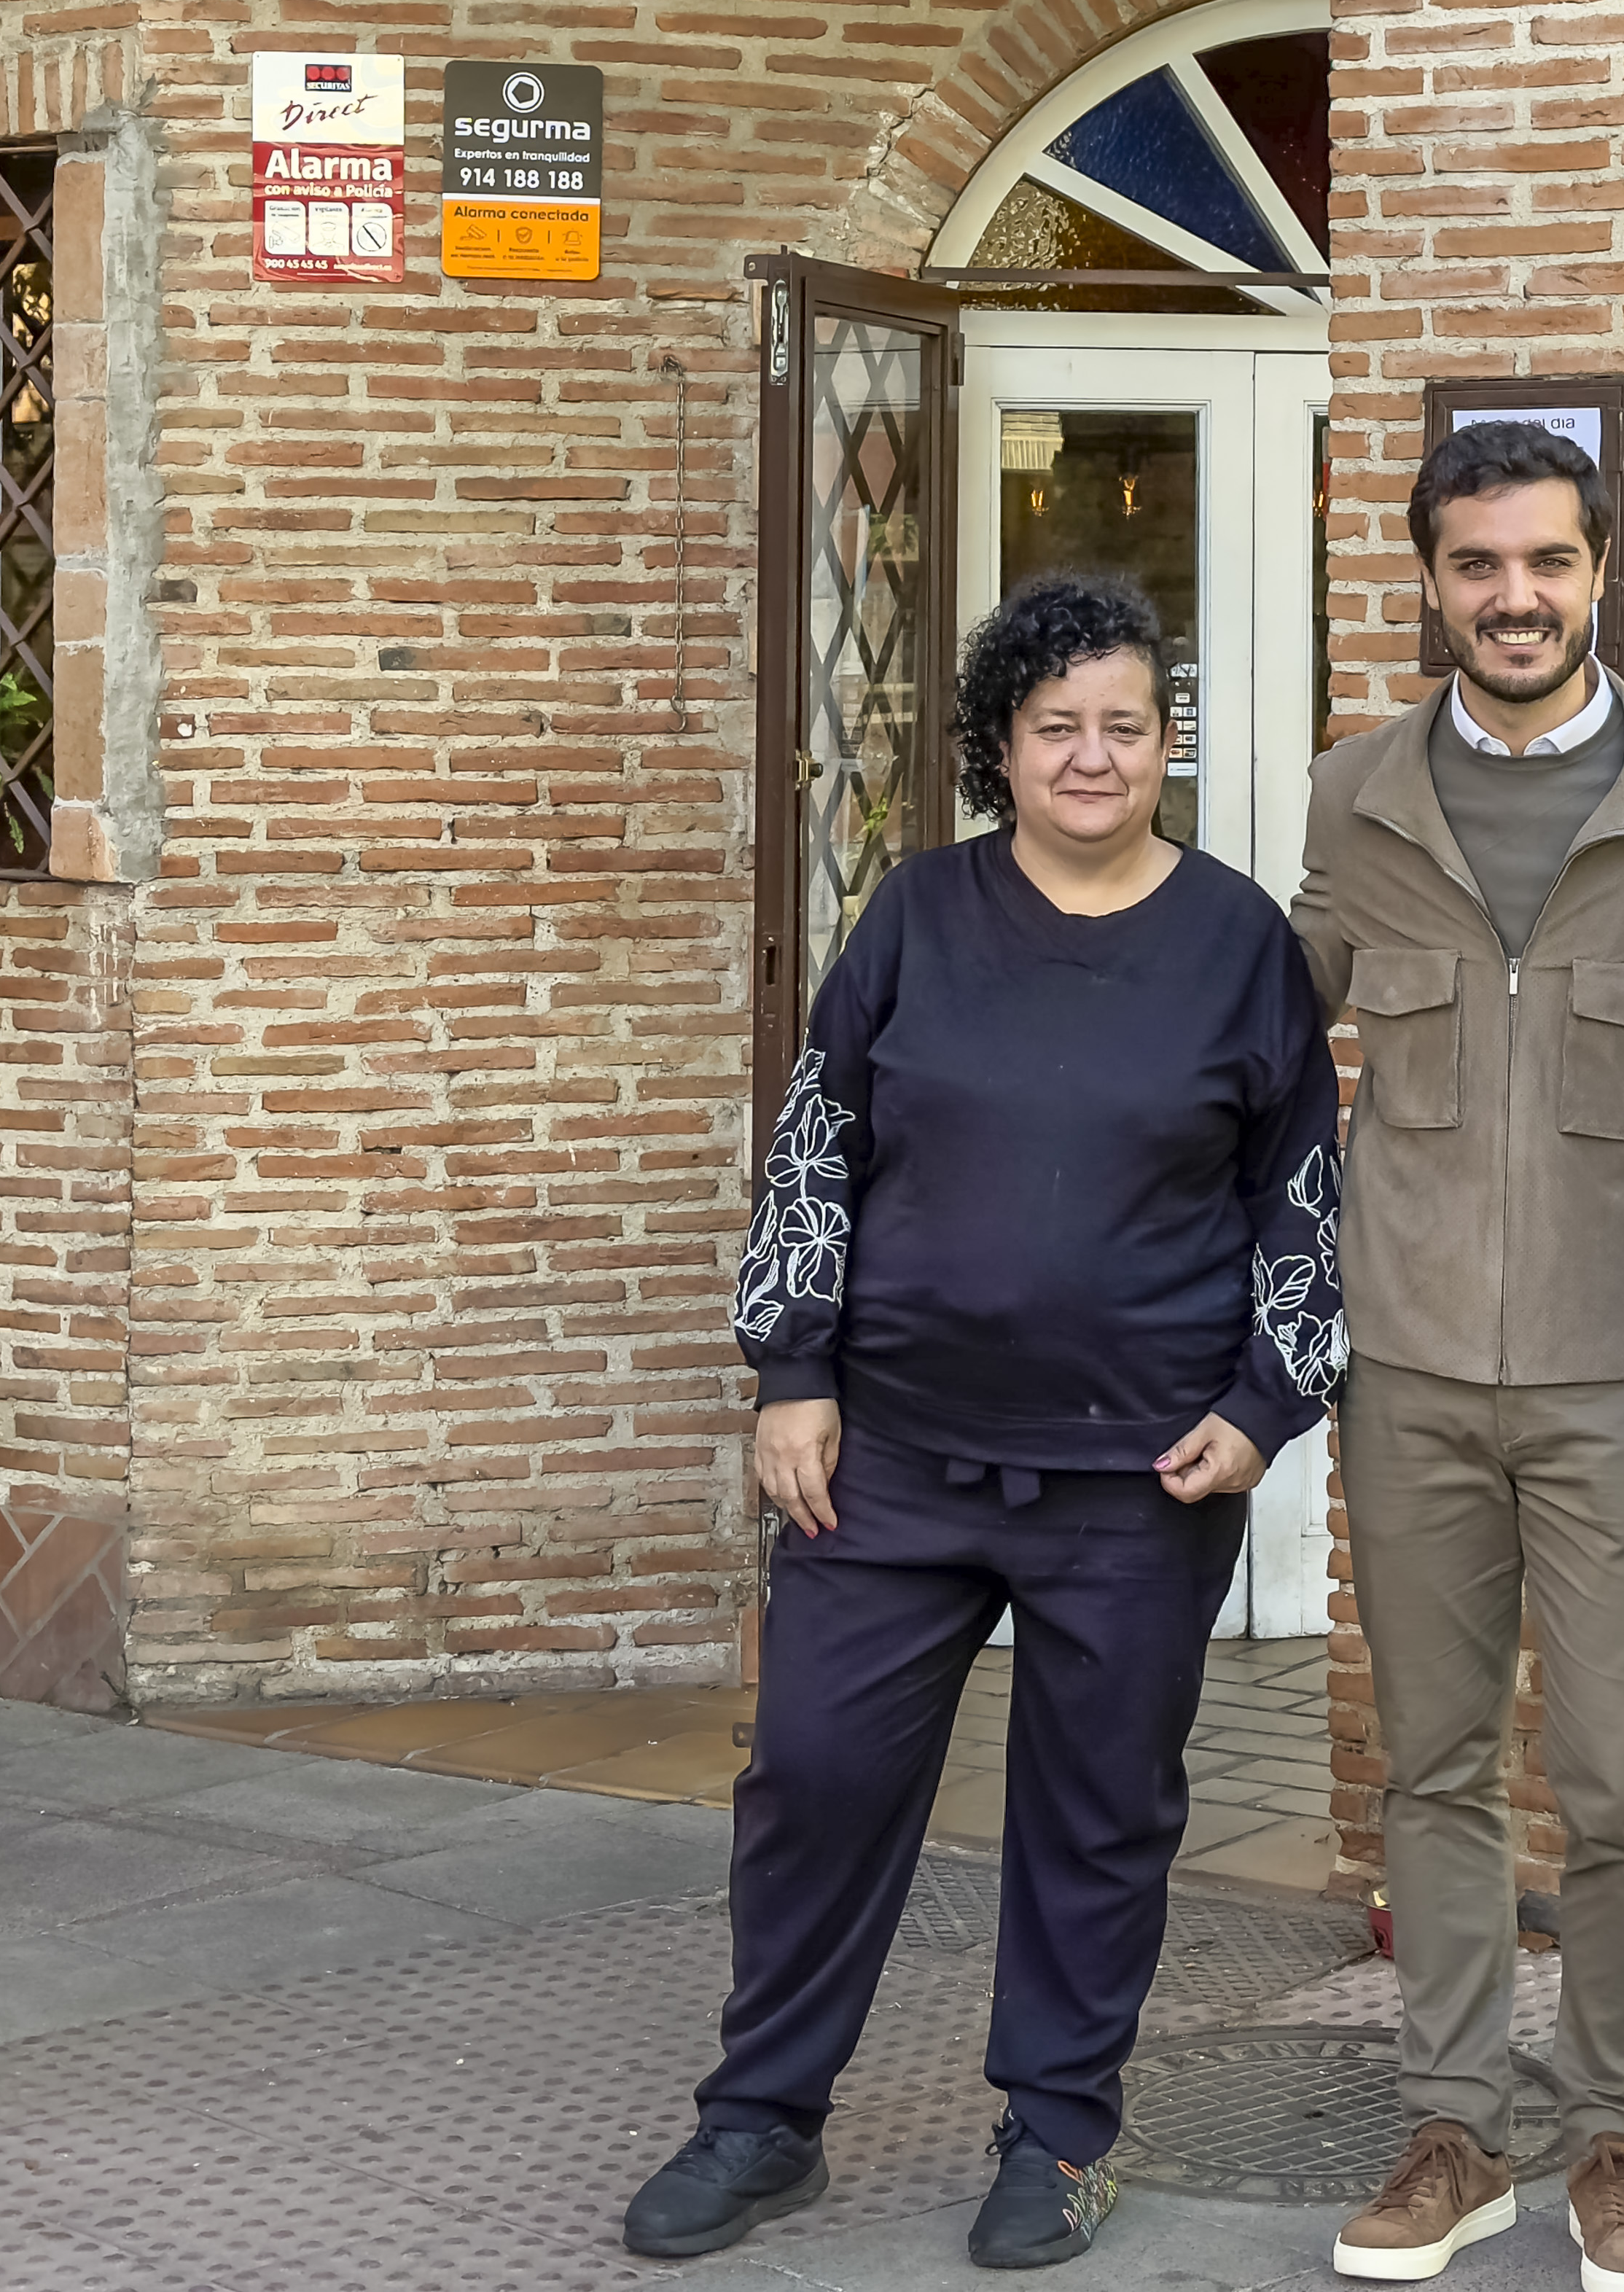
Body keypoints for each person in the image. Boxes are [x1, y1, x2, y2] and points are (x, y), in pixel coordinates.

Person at [623, 573, 1348, 2271]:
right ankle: (761, 2121)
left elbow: (1303, 1193)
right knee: (810, 1773)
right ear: (999, 750)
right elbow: (817, 1146)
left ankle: (1060, 2129)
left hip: (1142, 1474)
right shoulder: (916, 918)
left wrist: (1266, 1405)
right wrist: (789, 1374)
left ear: (1165, 744)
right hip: (891, 1456)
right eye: (1054, 728)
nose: (1091, 757)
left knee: (1097, 1809)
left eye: (1124, 725)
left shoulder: (1238, 938)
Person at [1289, 419, 1624, 2292]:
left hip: (1622, 1378)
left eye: (1547, 562)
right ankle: (1452, 2125)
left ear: (1601, 574)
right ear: (1427, 580)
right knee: (1431, 1764)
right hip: (1402, 1376)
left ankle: (1615, 2136)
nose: (1514, 598)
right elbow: (1254, 1062)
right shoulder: (1350, 800)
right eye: (1477, 565)